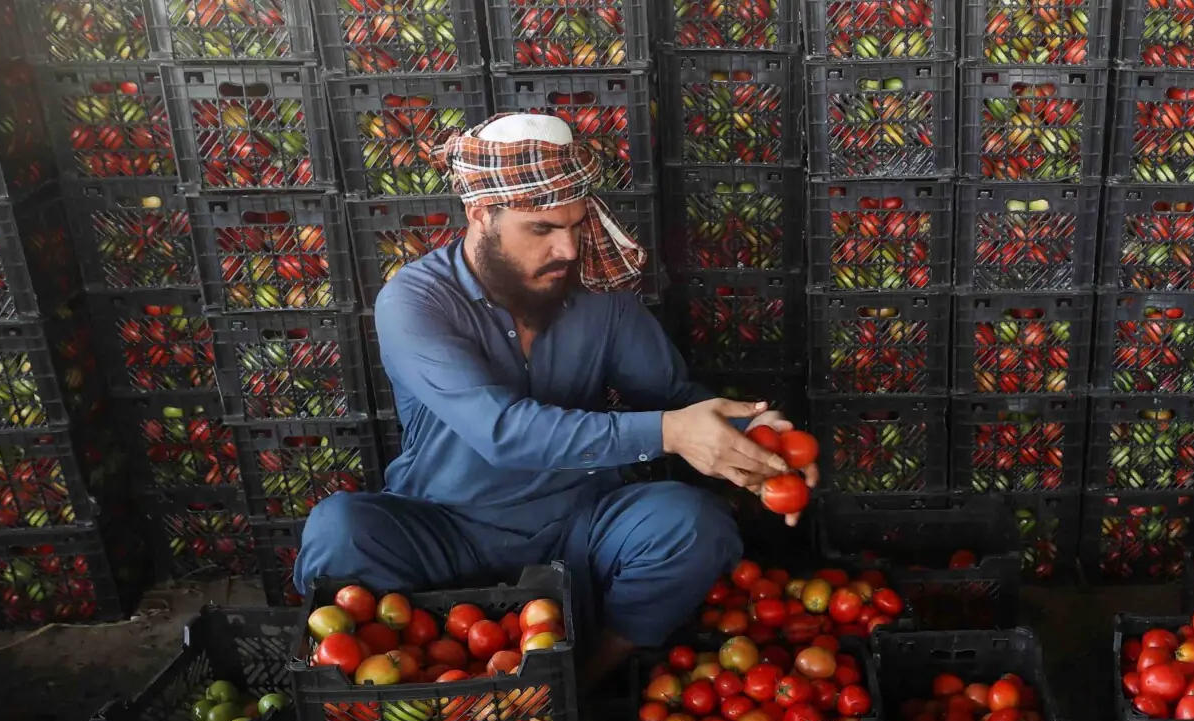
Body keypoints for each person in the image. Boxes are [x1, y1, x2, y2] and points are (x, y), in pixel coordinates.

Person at [294, 114, 811, 681]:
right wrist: (670, 431)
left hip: (577, 526)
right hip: (445, 524)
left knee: (692, 525)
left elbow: (672, 396)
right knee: (337, 530)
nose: (566, 247)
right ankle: (405, 693)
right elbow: (501, 431)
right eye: (541, 228)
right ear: (481, 214)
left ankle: (585, 683)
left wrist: (756, 443)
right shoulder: (416, 301)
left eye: (576, 224)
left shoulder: (600, 295)